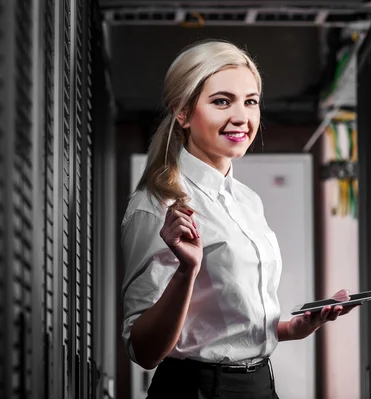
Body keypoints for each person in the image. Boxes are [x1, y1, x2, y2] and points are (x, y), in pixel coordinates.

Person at [121, 40, 356, 399]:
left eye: (250, 101)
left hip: (260, 385)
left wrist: (292, 327)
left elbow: (220, 325)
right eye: (221, 101)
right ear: (183, 112)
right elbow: (144, 351)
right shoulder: (156, 205)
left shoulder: (247, 200)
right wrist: (187, 271)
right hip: (196, 389)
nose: (241, 117)